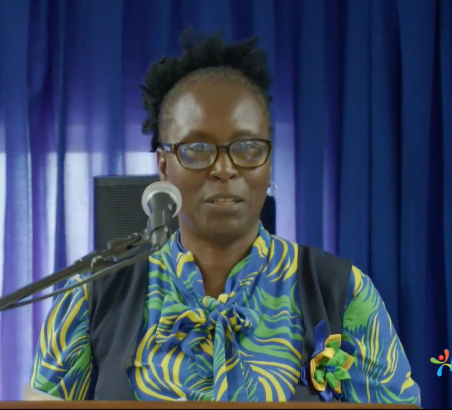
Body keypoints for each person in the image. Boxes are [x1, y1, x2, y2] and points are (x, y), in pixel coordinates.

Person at [30, 31, 421, 405]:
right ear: (164, 167)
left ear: (268, 163)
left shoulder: (341, 291)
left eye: (247, 147)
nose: (223, 169)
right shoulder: (93, 294)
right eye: (198, 148)